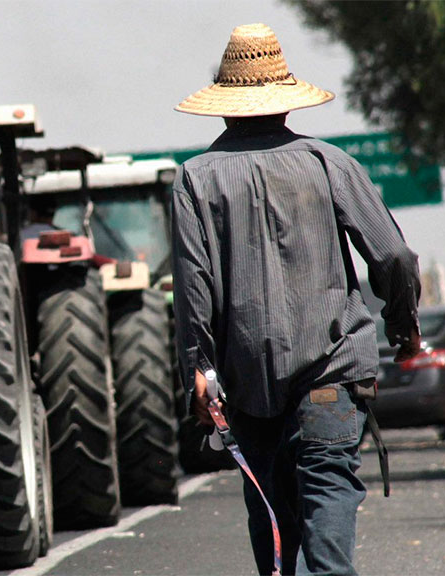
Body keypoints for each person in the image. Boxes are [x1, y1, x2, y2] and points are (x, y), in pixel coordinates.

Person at [171, 23, 421, 576]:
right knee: (328, 530)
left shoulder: (194, 180)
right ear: (286, 102)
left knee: (275, 536)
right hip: (330, 380)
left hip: (246, 390)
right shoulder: (329, 163)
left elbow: (193, 288)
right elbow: (396, 258)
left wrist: (200, 370)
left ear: (224, 105)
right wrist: (404, 330)